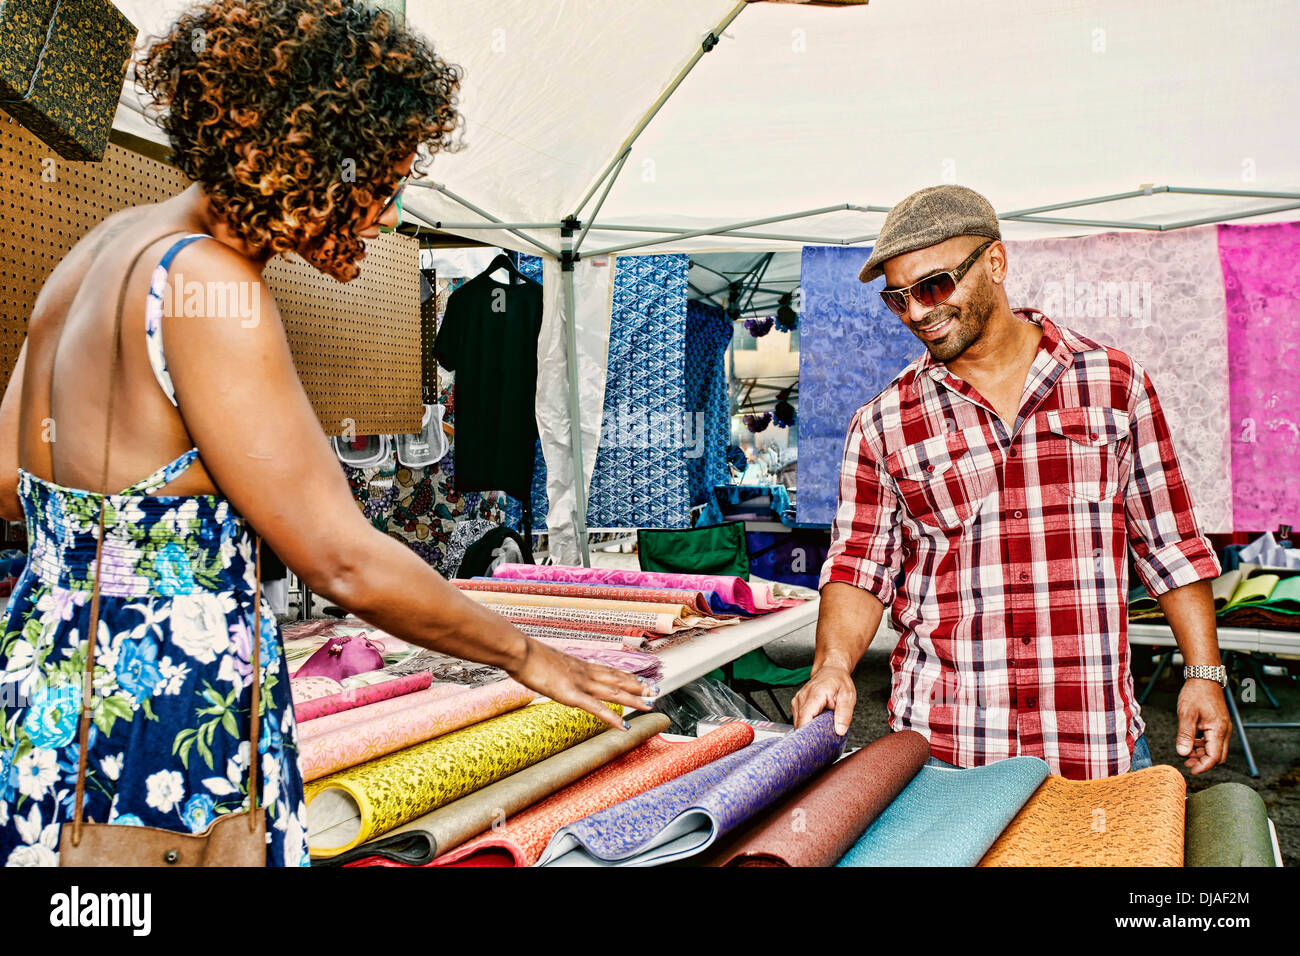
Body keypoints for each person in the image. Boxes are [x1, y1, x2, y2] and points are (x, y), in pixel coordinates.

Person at [0, 0, 653, 867]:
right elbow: (340, 560)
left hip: (46, 685)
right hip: (164, 706)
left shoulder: (95, 252)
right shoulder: (210, 285)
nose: (385, 217)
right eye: (382, 182)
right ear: (300, 155)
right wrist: (527, 655)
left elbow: (13, 484)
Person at [792, 185, 1229, 780]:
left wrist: (1204, 674)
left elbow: (1170, 544)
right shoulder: (882, 422)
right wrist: (833, 665)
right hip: (945, 752)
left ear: (995, 263)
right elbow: (858, 567)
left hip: (1091, 745)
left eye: (934, 285)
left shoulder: (1115, 384)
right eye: (899, 299)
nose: (918, 312)